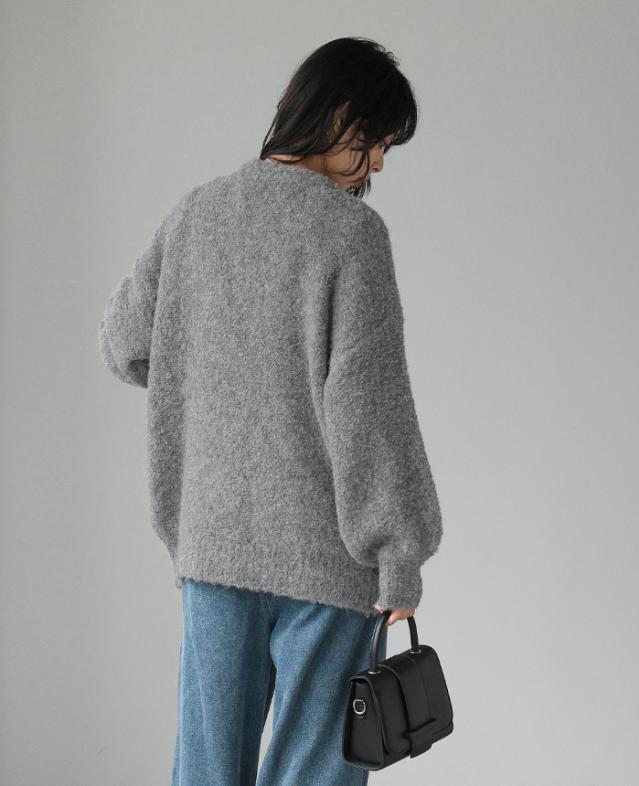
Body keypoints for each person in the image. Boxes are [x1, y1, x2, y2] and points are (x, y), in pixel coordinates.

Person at [98, 36, 443, 786]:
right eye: (379, 142)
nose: (380, 165)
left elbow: (124, 342)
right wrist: (400, 554)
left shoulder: (196, 214)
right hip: (326, 563)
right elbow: (368, 409)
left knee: (206, 770)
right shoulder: (352, 236)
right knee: (316, 772)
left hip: (212, 549)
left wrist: (211, 379)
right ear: (340, 117)